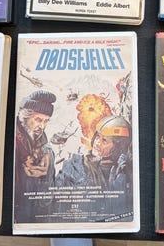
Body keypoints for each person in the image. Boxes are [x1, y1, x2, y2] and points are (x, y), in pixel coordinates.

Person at [56, 115, 133, 218]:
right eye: (97, 136)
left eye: (104, 140)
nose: (97, 143)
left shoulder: (127, 172)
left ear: (119, 147)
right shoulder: (75, 166)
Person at [14, 89, 56, 223]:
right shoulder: (13, 140)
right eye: (38, 120)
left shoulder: (46, 149)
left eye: (46, 121)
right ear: (25, 117)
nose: (42, 126)